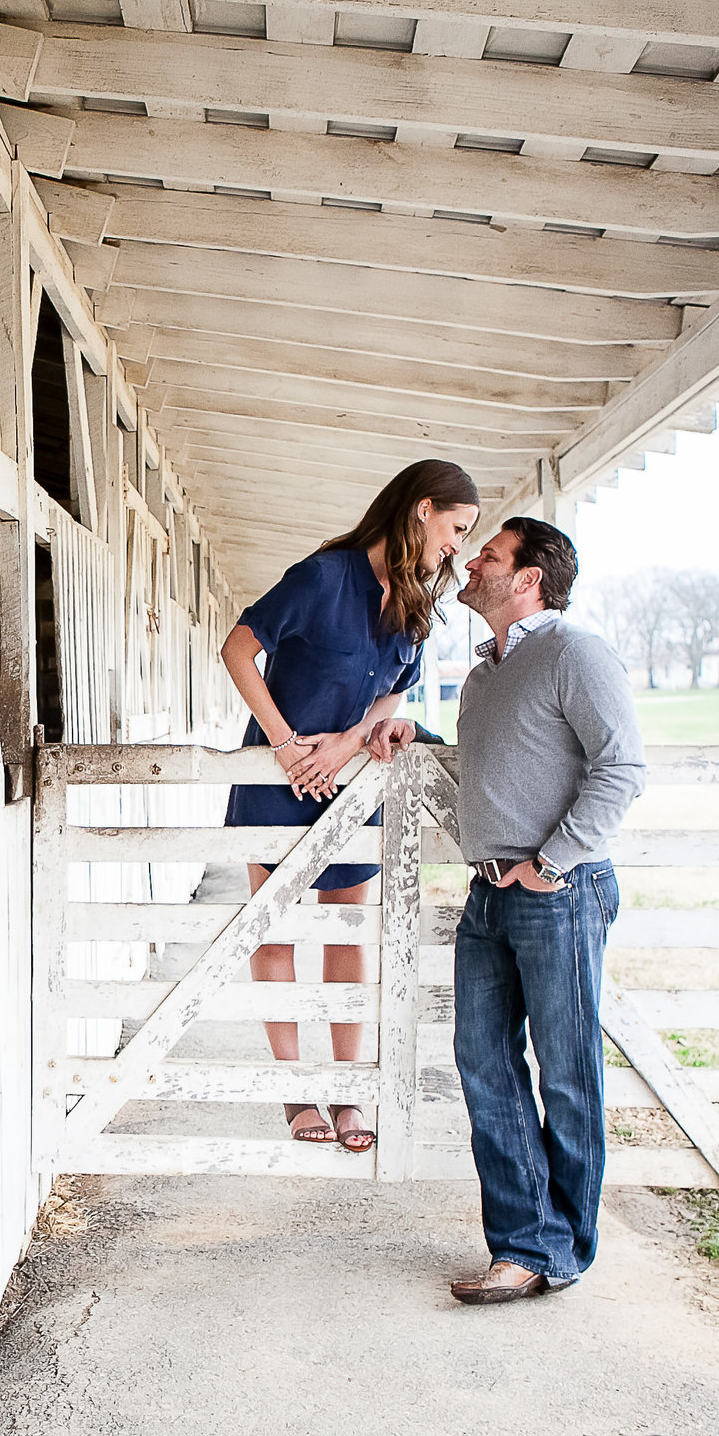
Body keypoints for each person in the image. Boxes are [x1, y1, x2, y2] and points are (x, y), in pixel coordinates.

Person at [218, 459, 479, 1152]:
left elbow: (396, 691)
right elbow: (238, 649)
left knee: (344, 934)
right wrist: (285, 744)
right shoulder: (322, 576)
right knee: (274, 935)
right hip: (278, 778)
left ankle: (348, 1089)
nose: (457, 547)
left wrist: (350, 740)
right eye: (456, 528)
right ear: (422, 509)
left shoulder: (418, 600)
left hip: (352, 780)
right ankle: (296, 1088)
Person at [444, 518, 645, 1305]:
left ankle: (556, 1250)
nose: (470, 561)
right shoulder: (485, 673)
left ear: (527, 578)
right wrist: (412, 732)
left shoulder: (575, 653)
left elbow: (621, 764)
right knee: (483, 1062)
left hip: (556, 892)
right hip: (488, 893)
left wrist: (552, 861)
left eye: (488, 554)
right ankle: (525, 1242)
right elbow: (499, 763)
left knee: (566, 1073)